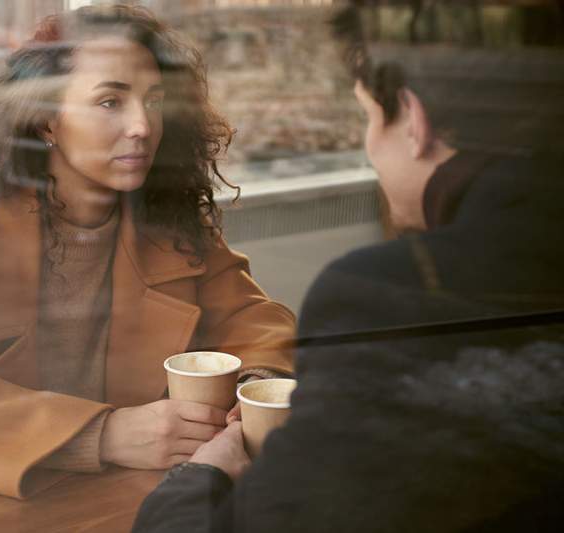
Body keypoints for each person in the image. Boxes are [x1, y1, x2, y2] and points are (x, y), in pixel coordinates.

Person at [133, 1, 564, 531]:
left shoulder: (394, 293)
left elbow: (250, 313)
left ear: (413, 119)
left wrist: (197, 478)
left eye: (367, 114)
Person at [0, 5, 295, 499]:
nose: (142, 126)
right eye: (110, 102)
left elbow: (255, 320)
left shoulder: (174, 225)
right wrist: (104, 434)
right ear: (47, 119)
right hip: (1, 505)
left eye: (154, 101)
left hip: (149, 498)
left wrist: (255, 385)